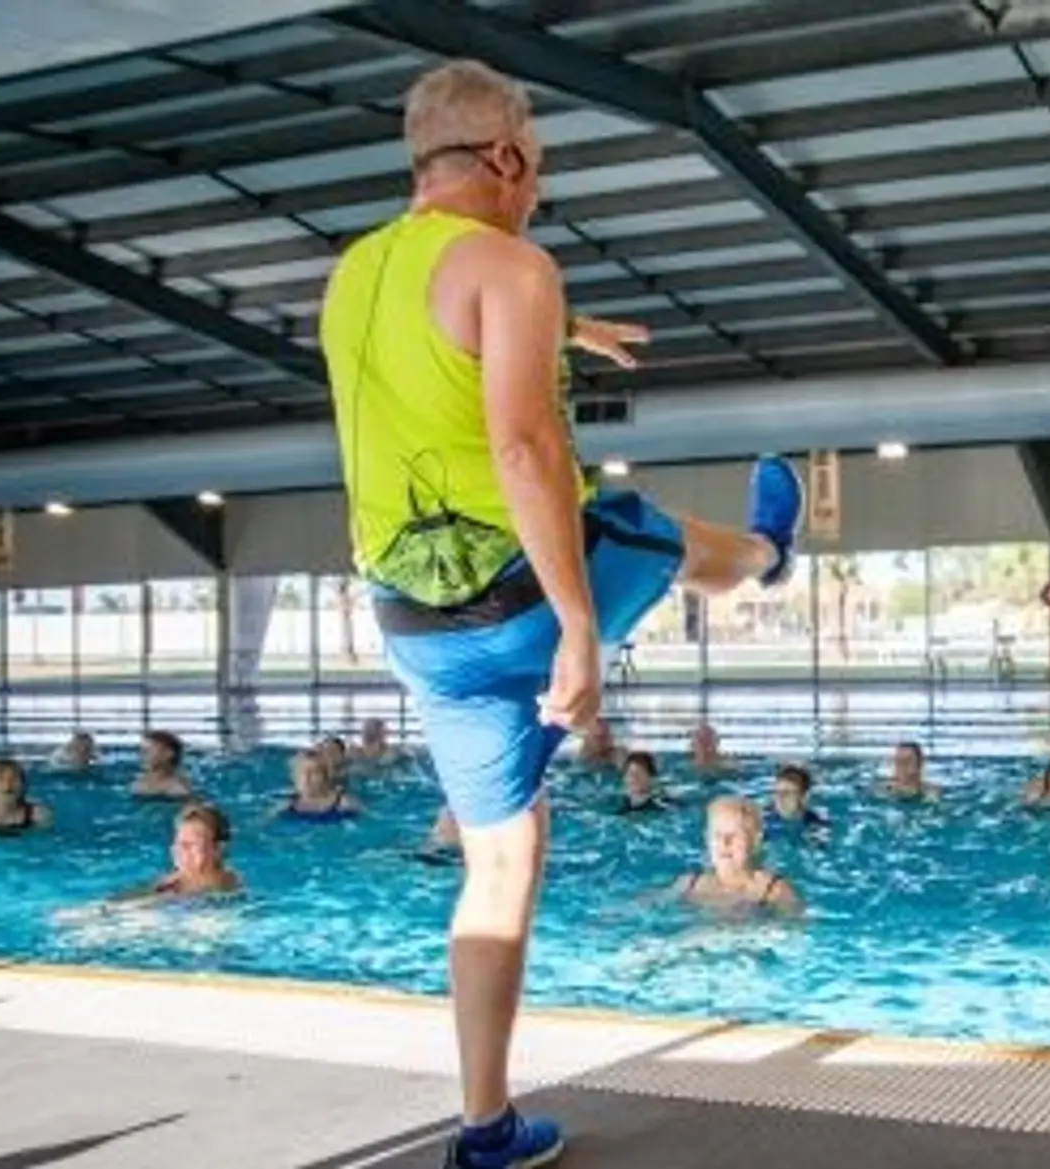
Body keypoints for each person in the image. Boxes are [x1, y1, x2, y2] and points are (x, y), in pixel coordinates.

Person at [317, 58, 805, 1169]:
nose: (537, 190)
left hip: (417, 634)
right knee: (654, 530)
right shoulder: (510, 261)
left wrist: (560, 325)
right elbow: (522, 446)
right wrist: (581, 630)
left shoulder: (351, 277)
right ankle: (772, 558)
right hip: (526, 599)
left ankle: (484, 1127)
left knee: (502, 858)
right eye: (535, 169)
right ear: (503, 158)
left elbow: (428, 345)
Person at [668, 796, 803, 915]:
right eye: (717, 835)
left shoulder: (772, 891)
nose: (725, 843)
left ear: (755, 841)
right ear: (707, 839)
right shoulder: (689, 885)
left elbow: (797, 930)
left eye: (735, 835)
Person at [123, 803, 242, 901]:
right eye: (179, 842)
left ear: (218, 849)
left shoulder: (228, 885)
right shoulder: (169, 885)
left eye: (192, 843)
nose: (182, 849)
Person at [277, 749, 363, 823]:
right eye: (302, 773)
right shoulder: (288, 805)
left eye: (313, 773)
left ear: (325, 777)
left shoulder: (344, 803)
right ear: (295, 778)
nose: (307, 778)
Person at [0, 758, 51, 834]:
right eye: (1, 779)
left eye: (14, 780)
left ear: (22, 785)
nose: (7, 785)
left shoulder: (36, 815)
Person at [765, 764, 827, 835]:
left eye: (787, 793)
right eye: (777, 792)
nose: (780, 798)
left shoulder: (817, 821)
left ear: (803, 796)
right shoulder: (764, 820)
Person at [130, 730, 193, 800]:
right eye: (142, 751)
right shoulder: (137, 782)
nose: (142, 756)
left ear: (168, 753)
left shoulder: (177, 790)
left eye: (148, 751)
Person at [615, 751, 671, 815]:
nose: (633, 780)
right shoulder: (619, 802)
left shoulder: (660, 804)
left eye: (638, 775)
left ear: (650, 778)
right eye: (630, 775)